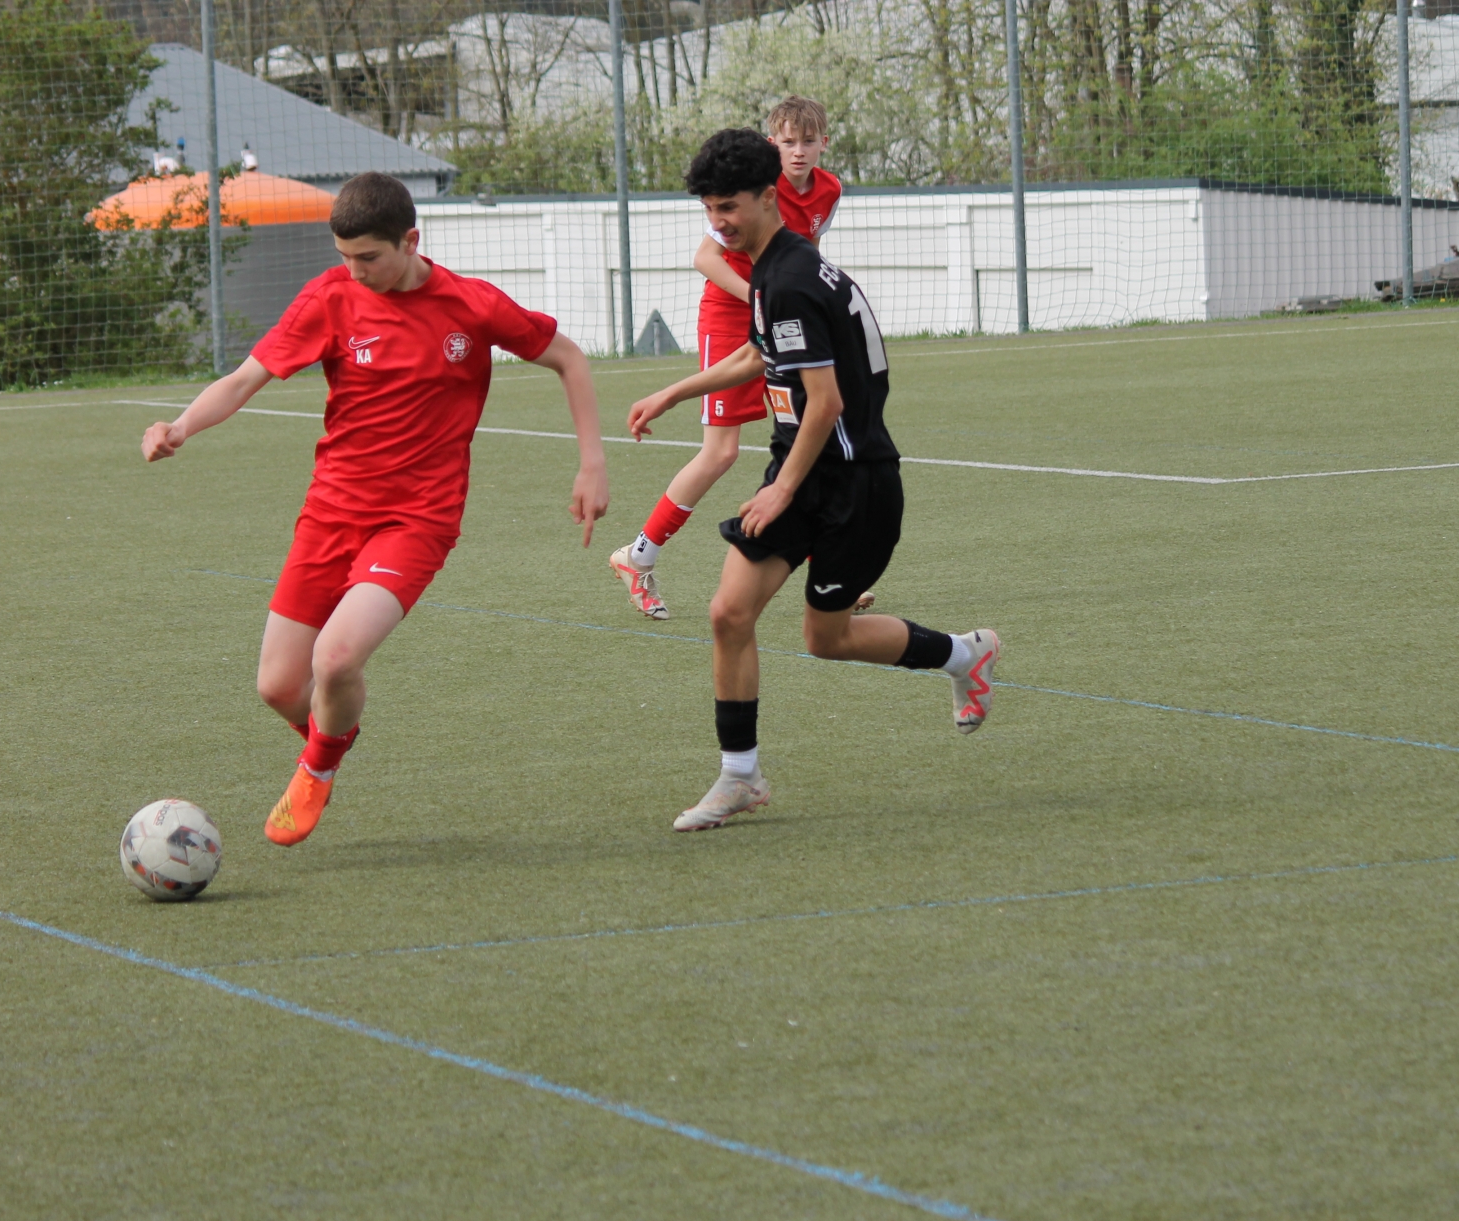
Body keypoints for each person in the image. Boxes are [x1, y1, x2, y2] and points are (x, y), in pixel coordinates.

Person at [142, 172, 609, 846]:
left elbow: (568, 356)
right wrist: (181, 427)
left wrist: (592, 461)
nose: (354, 272)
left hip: (417, 519)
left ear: (411, 240)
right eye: (343, 258)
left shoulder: (471, 306)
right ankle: (337, 734)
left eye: (369, 258)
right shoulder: (330, 298)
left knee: (334, 660)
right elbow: (246, 378)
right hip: (330, 512)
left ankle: (318, 770)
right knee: (277, 686)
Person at [625, 130, 1000, 832]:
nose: (720, 224)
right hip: (801, 468)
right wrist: (675, 393)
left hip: (853, 485)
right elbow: (759, 354)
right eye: (710, 210)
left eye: (730, 208)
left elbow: (826, 403)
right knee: (728, 614)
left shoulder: (791, 279)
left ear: (770, 197)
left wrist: (781, 489)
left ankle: (964, 654)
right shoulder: (774, 267)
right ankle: (740, 777)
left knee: (826, 638)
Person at [609, 96, 870, 620]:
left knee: (803, 435)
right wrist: (761, 294)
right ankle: (638, 556)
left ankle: (824, 566)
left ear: (825, 142)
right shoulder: (750, 187)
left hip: (780, 316)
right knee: (720, 453)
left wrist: (798, 299)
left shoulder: (830, 189)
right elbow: (706, 257)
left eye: (807, 140)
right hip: (731, 318)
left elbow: (807, 248)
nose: (798, 152)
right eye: (787, 141)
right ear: (773, 144)